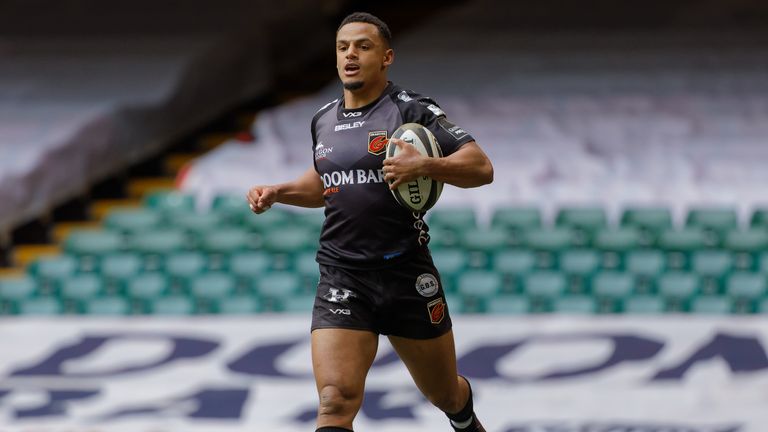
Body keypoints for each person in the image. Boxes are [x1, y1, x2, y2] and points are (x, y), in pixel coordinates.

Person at [246, 12, 493, 432]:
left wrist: (426, 165)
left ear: (386, 57)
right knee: (334, 402)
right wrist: (280, 191)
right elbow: (328, 183)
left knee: (445, 395)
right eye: (343, 48)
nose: (351, 55)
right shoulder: (323, 118)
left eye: (363, 46)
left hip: (405, 274)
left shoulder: (411, 110)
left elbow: (480, 167)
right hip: (343, 275)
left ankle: (464, 414)